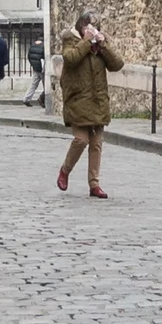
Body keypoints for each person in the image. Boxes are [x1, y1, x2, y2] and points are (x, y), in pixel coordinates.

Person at [57, 14, 121, 197]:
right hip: (78, 100)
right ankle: (65, 170)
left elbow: (117, 64)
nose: (91, 30)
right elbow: (71, 59)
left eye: (94, 26)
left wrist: (103, 45)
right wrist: (85, 41)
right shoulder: (70, 40)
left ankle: (94, 184)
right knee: (81, 140)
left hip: (98, 100)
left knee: (96, 144)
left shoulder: (99, 45)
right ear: (80, 27)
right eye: (87, 26)